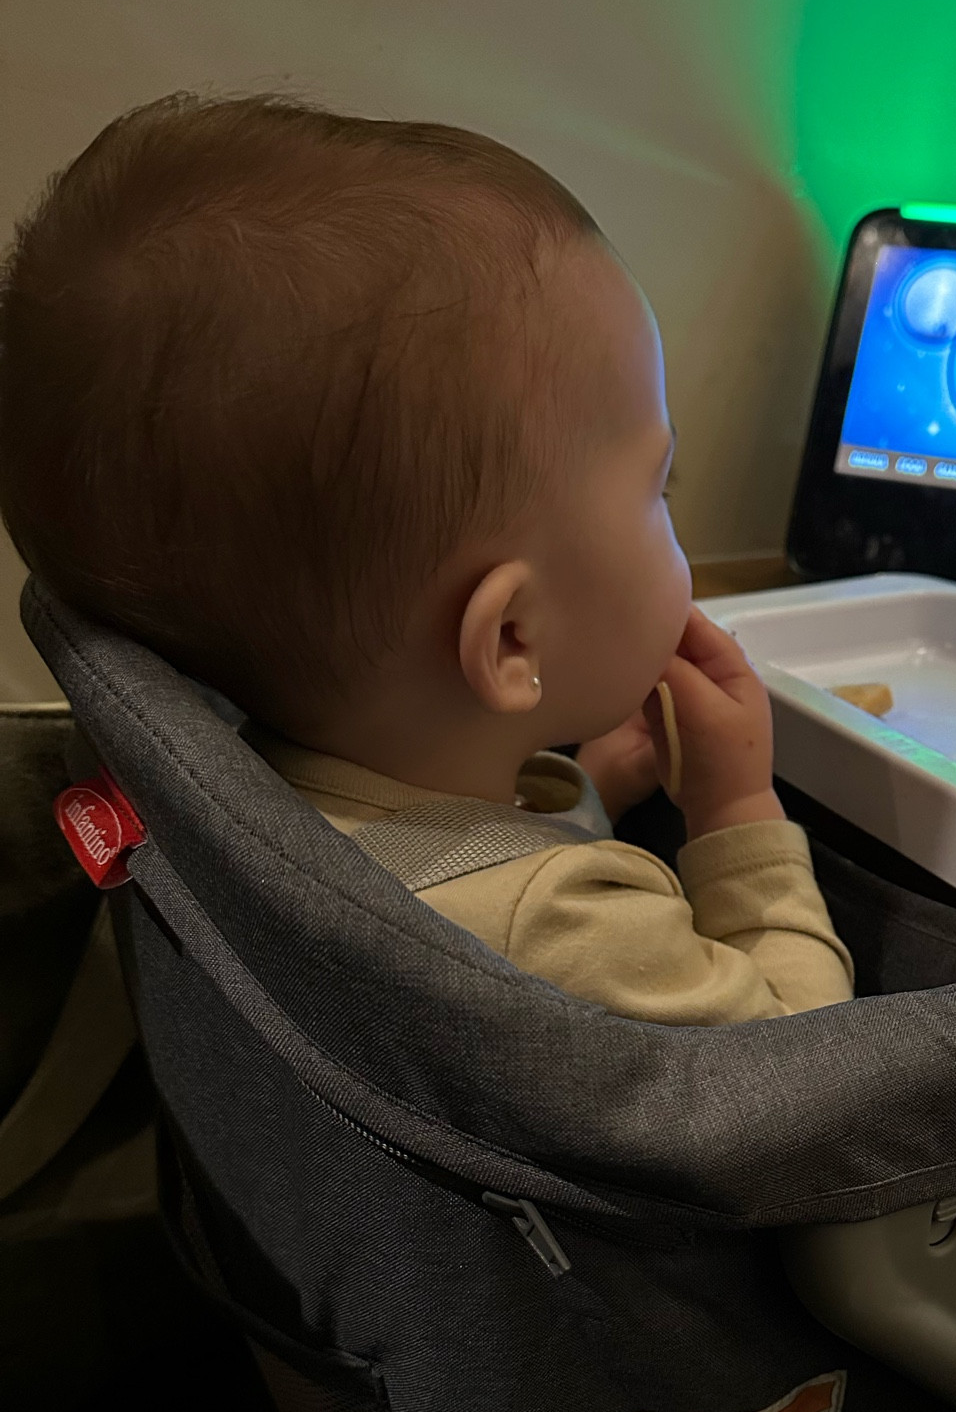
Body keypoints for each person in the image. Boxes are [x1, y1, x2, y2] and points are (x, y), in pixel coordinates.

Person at [0, 96, 852, 1025]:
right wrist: (738, 811)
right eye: (662, 486)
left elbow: (452, 856)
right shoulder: (577, 932)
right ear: (514, 638)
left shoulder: (248, 803)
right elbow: (809, 1078)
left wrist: (590, 795)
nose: (669, 508)